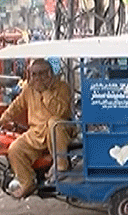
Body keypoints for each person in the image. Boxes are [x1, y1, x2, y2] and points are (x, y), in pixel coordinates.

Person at [0, 59, 73, 198]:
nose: (37, 78)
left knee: (54, 122)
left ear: (50, 74)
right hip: (36, 133)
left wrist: (45, 92)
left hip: (59, 131)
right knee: (14, 149)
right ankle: (27, 182)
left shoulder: (62, 87)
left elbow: (61, 112)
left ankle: (61, 165)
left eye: (41, 74)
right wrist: (2, 120)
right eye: (34, 74)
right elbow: (16, 107)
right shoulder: (28, 88)